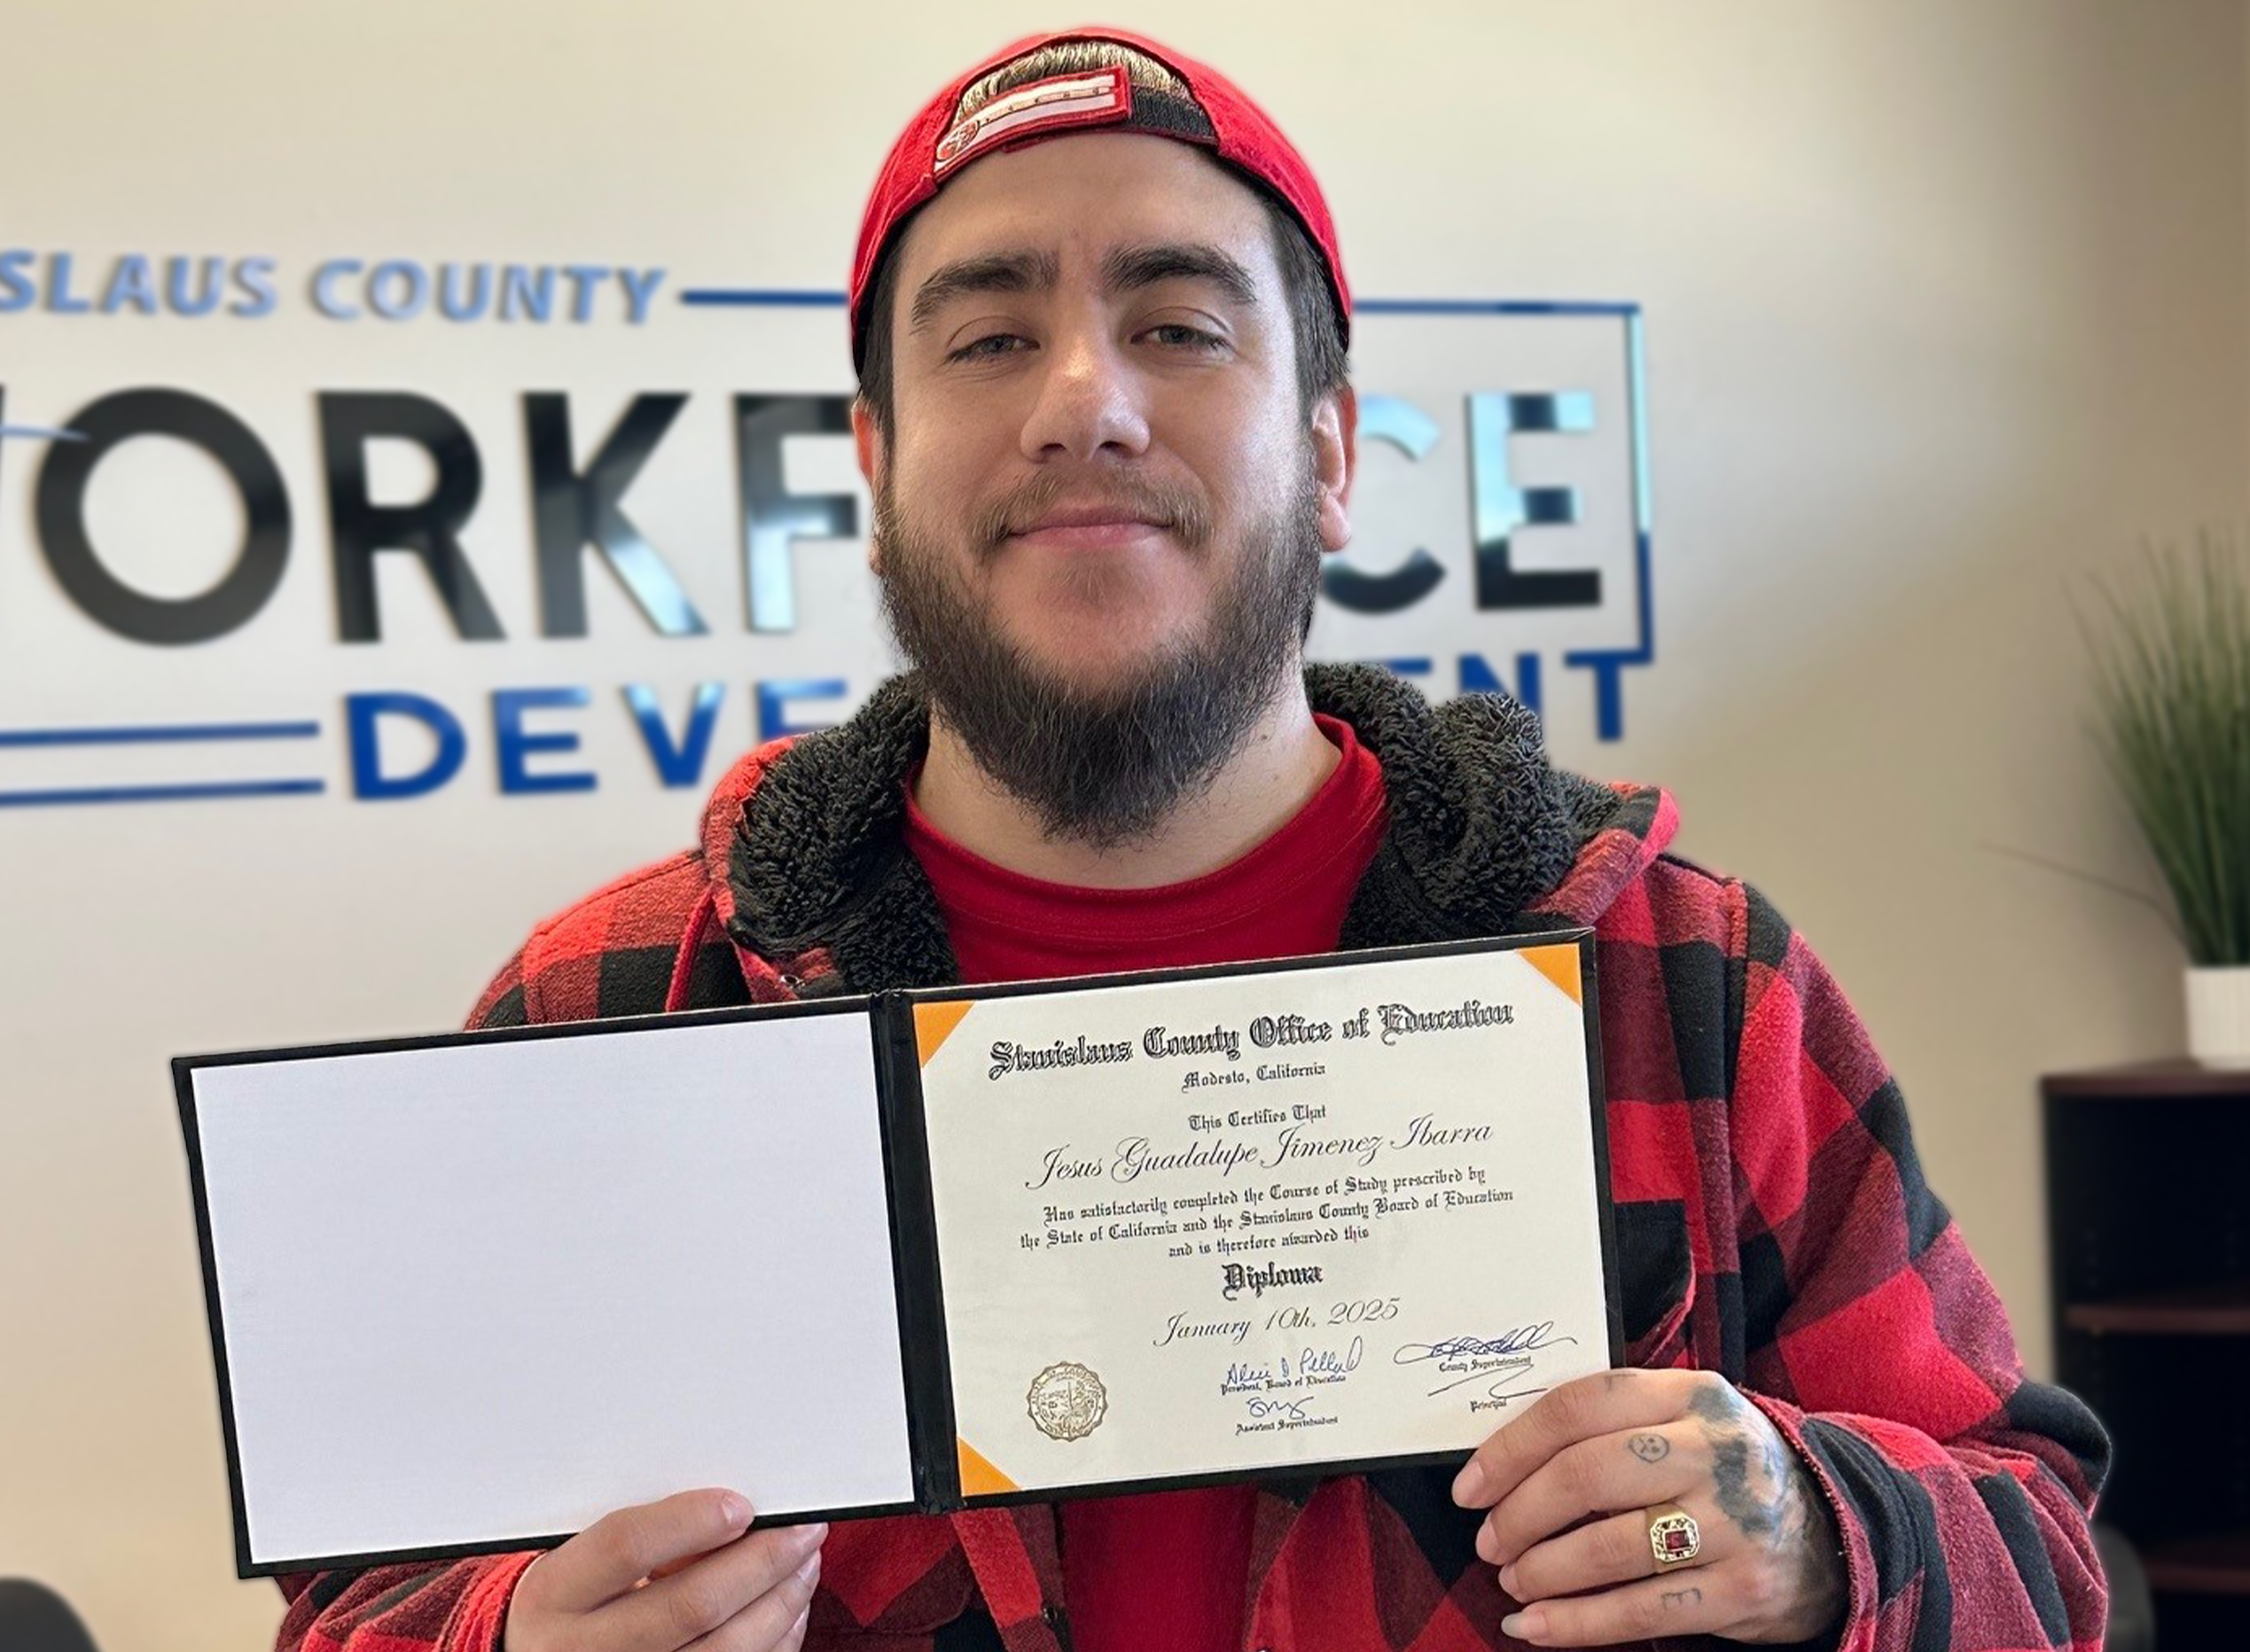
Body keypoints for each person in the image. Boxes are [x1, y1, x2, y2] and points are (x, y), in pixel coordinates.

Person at [275, 27, 2109, 1652]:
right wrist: (512, 1639)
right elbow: (352, 1607)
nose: (1084, 398)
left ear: (1329, 453)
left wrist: (1817, 1540)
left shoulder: (1684, 982)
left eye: (1177, 325)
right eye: (989, 337)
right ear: (874, 468)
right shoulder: (616, 1005)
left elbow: (2038, 1554)